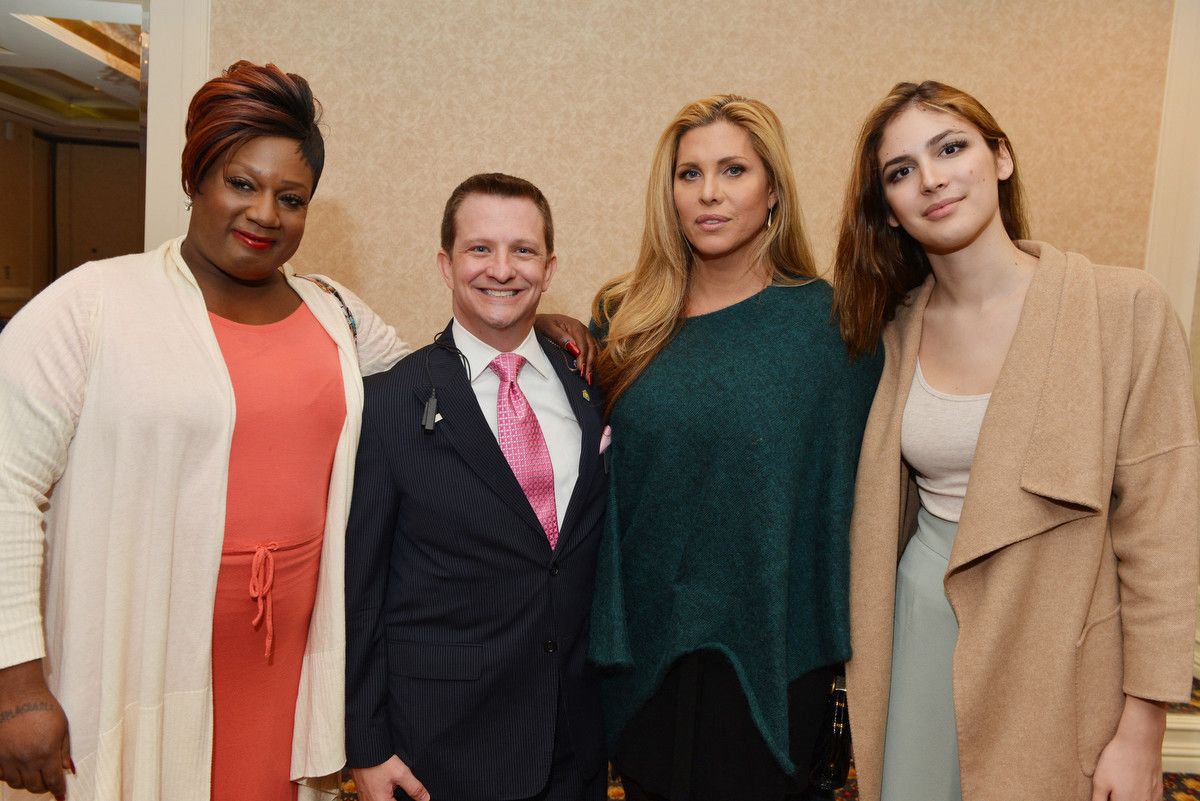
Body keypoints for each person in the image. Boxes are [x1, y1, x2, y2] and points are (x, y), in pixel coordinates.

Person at [0, 64, 593, 801]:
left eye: (291, 198)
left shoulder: (334, 313)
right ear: (194, 178)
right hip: (148, 653)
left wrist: (530, 333)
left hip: (292, 666)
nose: (264, 213)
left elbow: (442, 378)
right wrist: (16, 685)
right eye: (240, 184)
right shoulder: (92, 306)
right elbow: (7, 487)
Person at [832, 80, 1200, 801]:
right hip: (921, 625)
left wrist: (1144, 727)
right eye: (902, 171)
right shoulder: (891, 329)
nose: (931, 178)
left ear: (1001, 158)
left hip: (1062, 643)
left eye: (951, 148)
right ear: (890, 210)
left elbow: (1163, 534)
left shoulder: (1125, 309)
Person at [587, 95, 882, 801]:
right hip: (641, 649)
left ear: (773, 189)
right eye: (689, 174)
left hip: (773, 654)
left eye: (733, 170)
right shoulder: (623, 319)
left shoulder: (832, 327)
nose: (709, 193)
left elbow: (863, 495)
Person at [344, 173, 608, 801]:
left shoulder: (589, 384)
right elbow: (359, 590)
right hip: (443, 749)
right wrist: (366, 745)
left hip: (576, 741)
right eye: (480, 249)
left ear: (549, 269)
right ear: (446, 264)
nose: (502, 269)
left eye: (523, 250)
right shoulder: (389, 403)